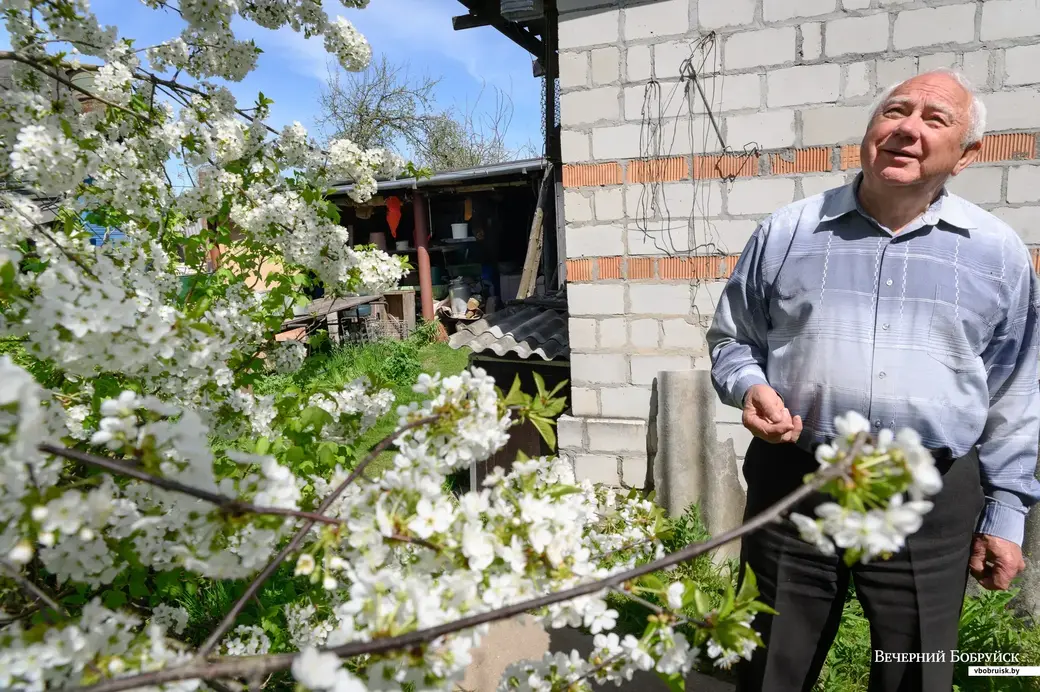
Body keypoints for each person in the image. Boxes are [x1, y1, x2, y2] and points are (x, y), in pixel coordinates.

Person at [707, 68, 1040, 692]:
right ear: (869, 131)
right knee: (769, 666)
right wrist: (749, 386)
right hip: (796, 481)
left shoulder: (997, 254)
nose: (907, 129)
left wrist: (1006, 512)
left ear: (966, 155)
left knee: (915, 672)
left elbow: (1015, 390)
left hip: (929, 496)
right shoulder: (787, 232)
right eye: (895, 111)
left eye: (935, 119)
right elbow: (733, 339)